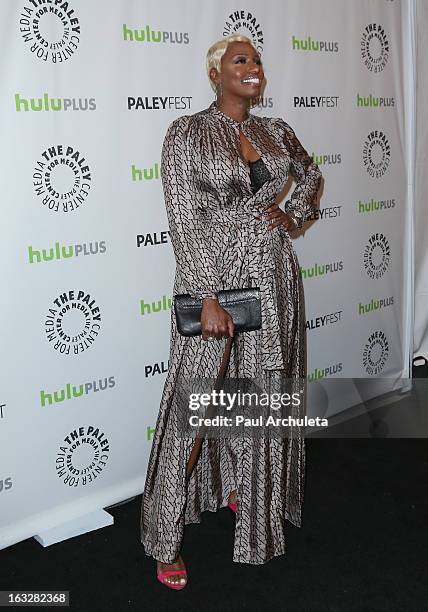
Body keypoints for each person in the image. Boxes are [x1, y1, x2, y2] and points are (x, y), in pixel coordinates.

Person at [140, 33, 322, 590]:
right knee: (193, 405)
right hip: (214, 278)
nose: (253, 67)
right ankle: (162, 535)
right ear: (216, 72)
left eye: (257, 61)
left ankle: (246, 492)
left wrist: (291, 218)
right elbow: (182, 217)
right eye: (240, 60)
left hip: (271, 276)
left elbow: (311, 179)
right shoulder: (188, 133)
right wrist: (206, 294)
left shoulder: (276, 131)